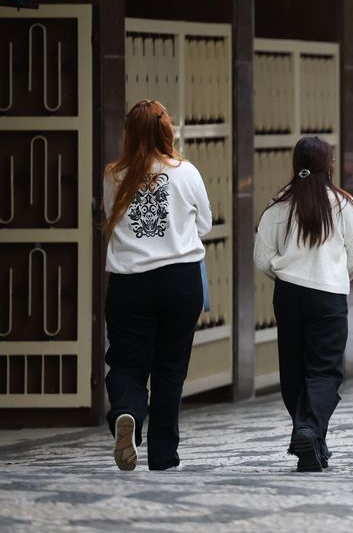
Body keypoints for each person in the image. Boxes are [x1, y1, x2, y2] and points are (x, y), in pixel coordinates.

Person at [102, 100, 212, 471]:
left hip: (130, 282)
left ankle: (127, 412)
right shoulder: (186, 171)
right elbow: (205, 223)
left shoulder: (114, 175)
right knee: (171, 367)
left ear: (129, 133)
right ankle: (163, 456)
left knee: (126, 362)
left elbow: (110, 219)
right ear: (168, 131)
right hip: (180, 280)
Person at [254, 136, 353, 472]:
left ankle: (312, 441)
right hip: (328, 295)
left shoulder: (279, 205)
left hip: (288, 293)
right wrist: (337, 274)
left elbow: (262, 256)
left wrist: (284, 272)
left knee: (294, 369)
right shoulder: (342, 204)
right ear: (329, 165)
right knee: (325, 370)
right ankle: (308, 429)